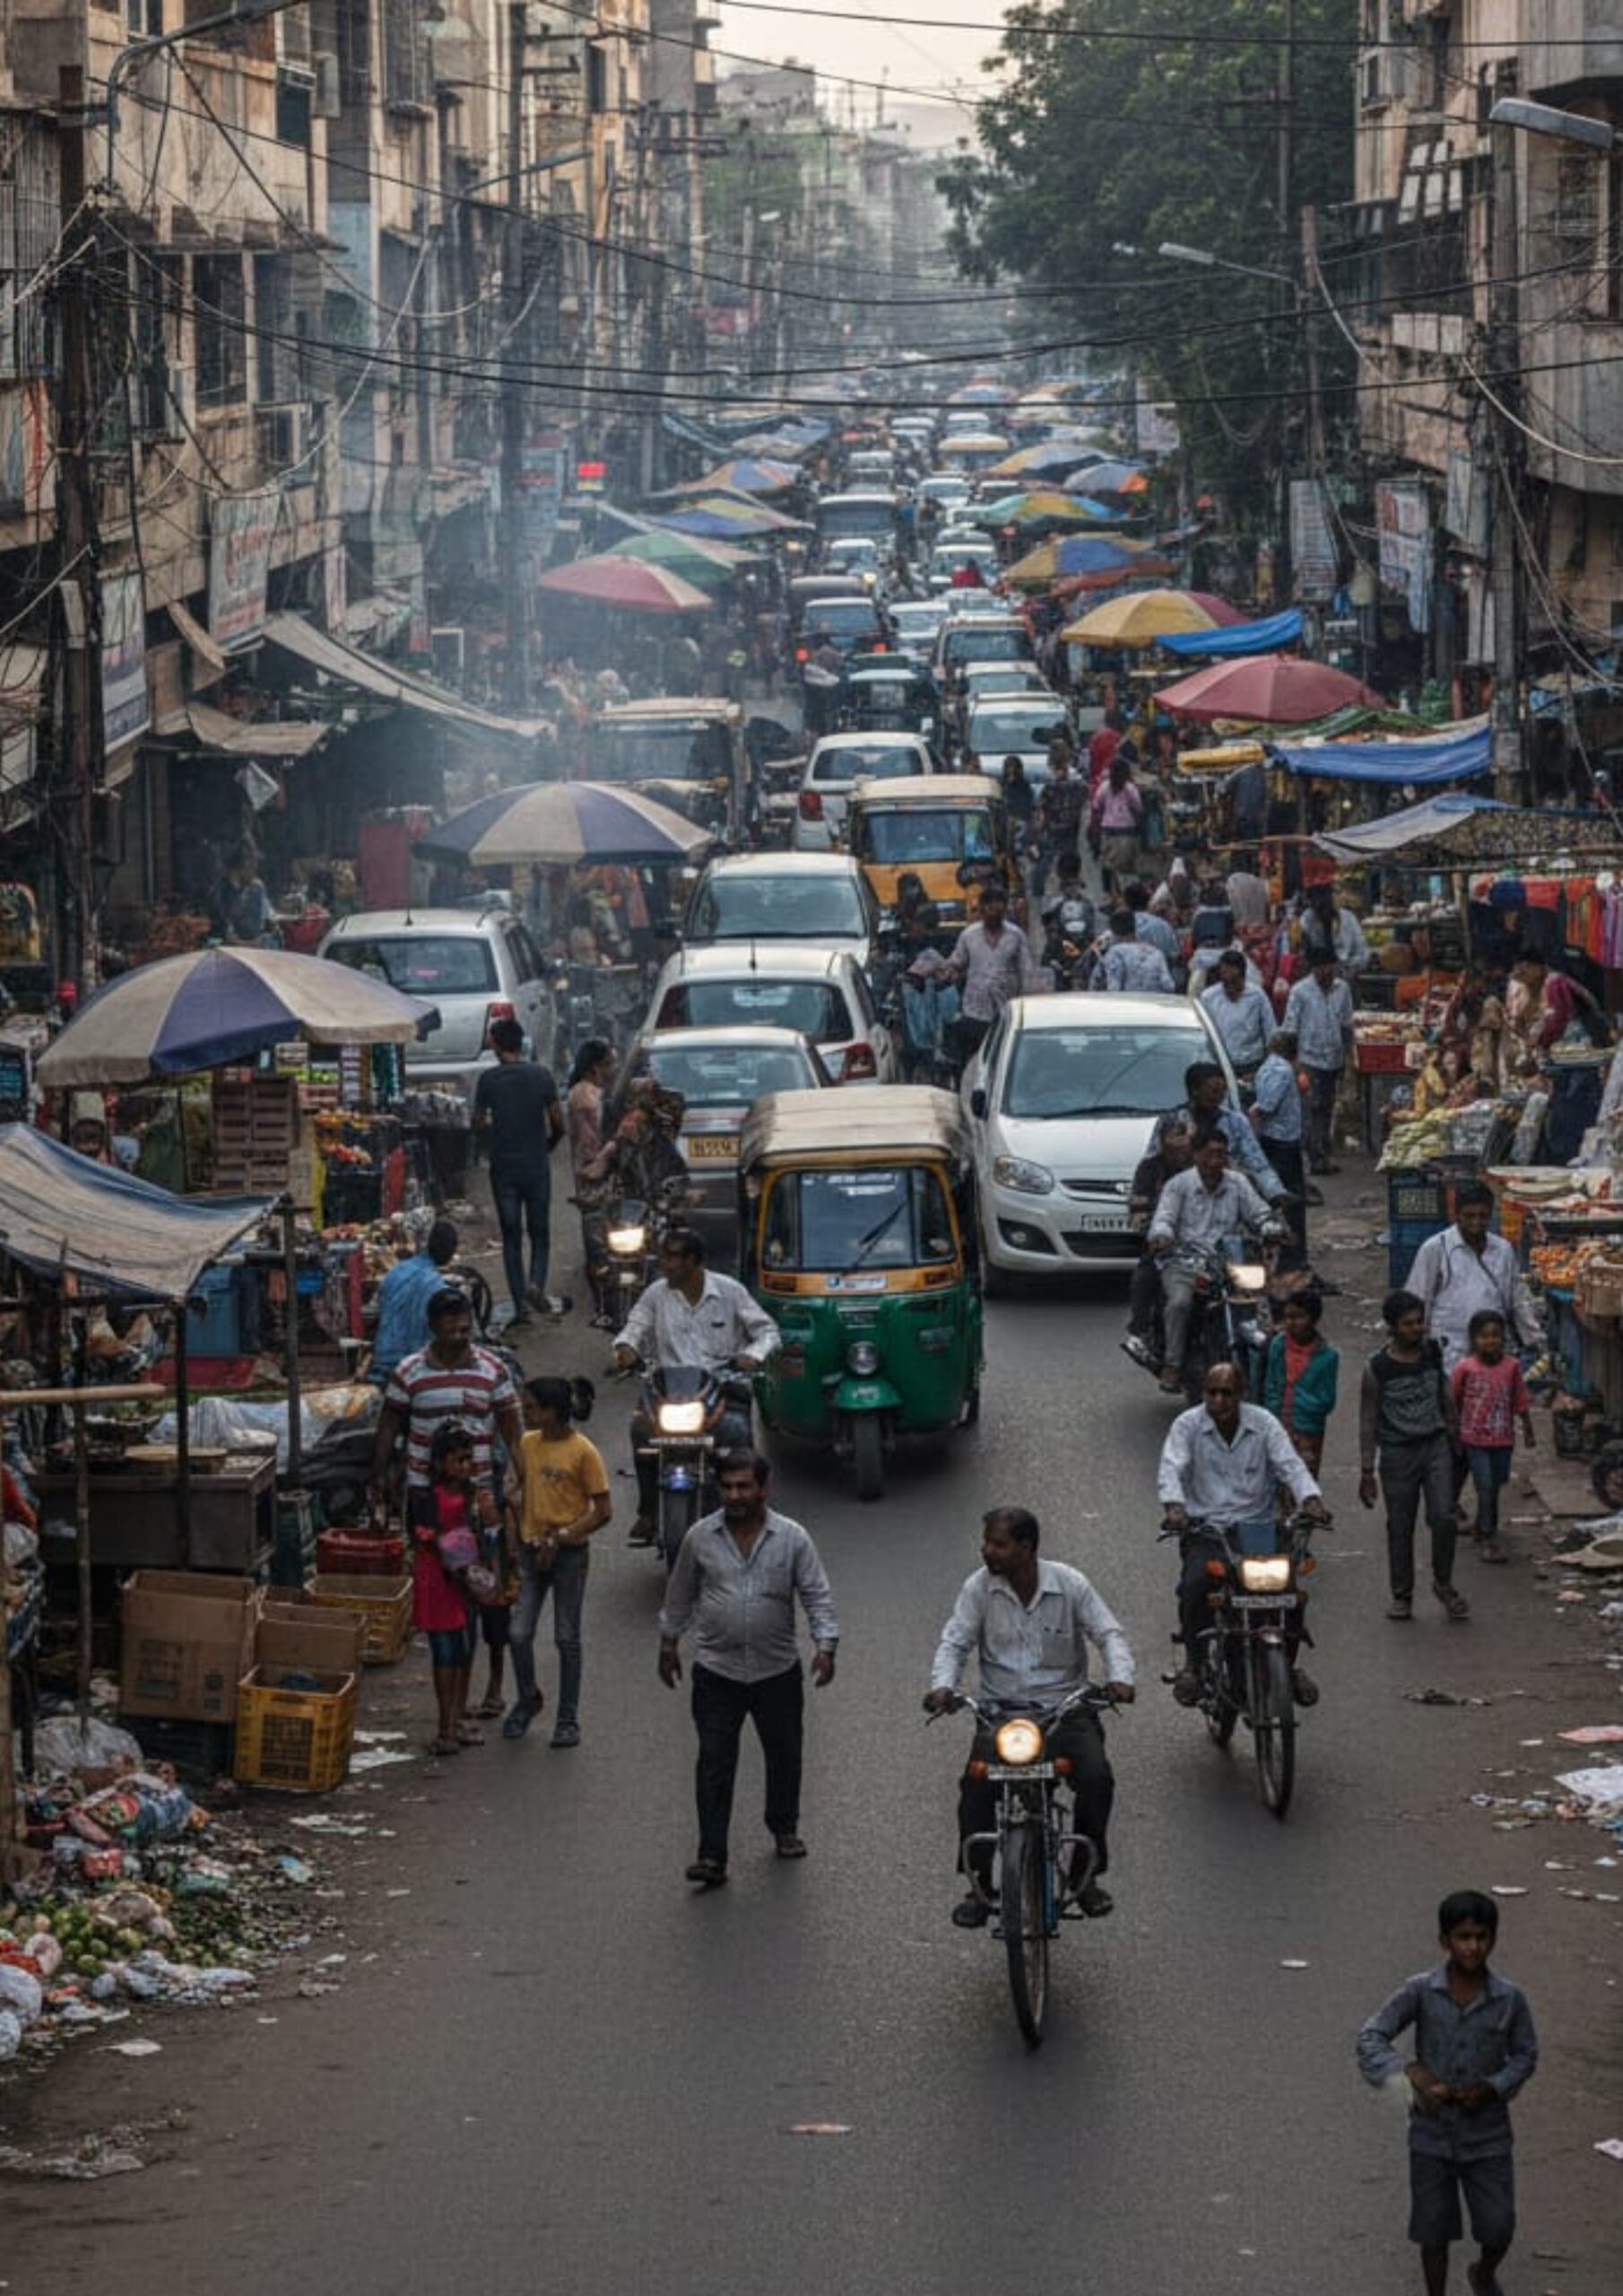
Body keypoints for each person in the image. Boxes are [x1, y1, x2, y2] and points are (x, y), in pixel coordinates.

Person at [924, 1506, 1134, 1926]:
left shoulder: (1070, 1584)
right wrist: (942, 1687)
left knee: (1096, 1779)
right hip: (1003, 1716)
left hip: (1066, 1712)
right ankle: (979, 1885)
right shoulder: (979, 1589)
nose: (987, 1551)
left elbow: (1108, 1634)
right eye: (986, 1542)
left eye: (998, 1544)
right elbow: (954, 1642)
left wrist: (1120, 1679)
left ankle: (1086, 1877)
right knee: (975, 1786)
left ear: (1027, 1547)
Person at [657, 1448, 838, 1888]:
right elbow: (679, 1593)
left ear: (763, 1488)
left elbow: (816, 1594)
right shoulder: (700, 1538)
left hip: (777, 1670)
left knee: (784, 1754)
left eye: (744, 1486)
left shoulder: (792, 1538)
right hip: (716, 1671)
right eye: (727, 1487)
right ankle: (712, 1854)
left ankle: (784, 1826)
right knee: (715, 1760)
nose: (735, 1495)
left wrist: (825, 1645)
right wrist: (669, 1643)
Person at [1357, 1890, 1538, 2296]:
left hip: (1488, 2136)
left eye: (1481, 1937)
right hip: (1431, 2135)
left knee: (1498, 2227)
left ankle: (1483, 2273)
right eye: (1463, 1937)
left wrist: (1493, 2089)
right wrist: (1410, 2072)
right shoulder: (1420, 1991)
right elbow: (1371, 2036)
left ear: (1493, 1939)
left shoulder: (1509, 1999)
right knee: (1432, 2231)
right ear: (1445, 1941)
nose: (1472, 1947)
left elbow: (1525, 2054)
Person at [1158, 1363, 1329, 1706]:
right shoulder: (1187, 1425)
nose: (1218, 1400)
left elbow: (1290, 1465)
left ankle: (1290, 1665)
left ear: (1242, 1395)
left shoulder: (1263, 1423)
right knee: (1194, 1587)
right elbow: (1171, 1467)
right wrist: (1175, 1507)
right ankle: (1194, 1663)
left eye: (1227, 1393)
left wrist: (1310, 1499)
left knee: (1290, 1593)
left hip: (1258, 1530)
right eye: (1212, 1392)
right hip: (1207, 1529)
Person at [613, 1228, 780, 1545]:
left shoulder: (730, 1292)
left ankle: (748, 1513)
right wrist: (626, 1348)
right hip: (669, 1391)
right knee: (639, 1431)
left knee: (737, 1437)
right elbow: (635, 1326)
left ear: (694, 1261)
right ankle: (648, 1511)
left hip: (722, 1386)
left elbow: (768, 1331)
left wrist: (752, 1355)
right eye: (663, 1256)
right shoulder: (656, 1294)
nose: (664, 1264)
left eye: (672, 1257)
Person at [504, 1376, 611, 1746]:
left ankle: (568, 1718)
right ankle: (528, 1696)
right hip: (533, 1552)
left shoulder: (583, 1452)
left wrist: (564, 1535)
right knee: (518, 1633)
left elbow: (603, 1510)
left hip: (569, 1555)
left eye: (531, 1406)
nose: (525, 1411)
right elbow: (518, 1489)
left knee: (567, 1637)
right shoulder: (527, 1444)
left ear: (551, 1412)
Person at [1147, 1127, 1286, 1395]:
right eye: (1209, 1155)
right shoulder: (1179, 1185)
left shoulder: (1238, 1183)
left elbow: (1259, 1213)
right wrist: (1162, 1237)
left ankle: (1269, 1361)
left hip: (1232, 1262)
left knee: (1263, 1301)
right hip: (1186, 1262)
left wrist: (1271, 1227)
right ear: (1196, 1155)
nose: (1215, 1162)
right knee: (1179, 1303)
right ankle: (1173, 1365)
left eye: (1221, 1155)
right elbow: (1163, 1219)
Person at [1359, 1288, 1468, 1623]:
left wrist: (1455, 1433)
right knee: (1401, 1526)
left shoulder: (1431, 1352)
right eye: (1408, 1324)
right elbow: (1368, 1420)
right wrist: (1367, 1470)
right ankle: (1402, 1595)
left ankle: (1444, 1582)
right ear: (1391, 1327)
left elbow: (1444, 1393)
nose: (1417, 1329)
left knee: (1444, 1517)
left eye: (1420, 1322)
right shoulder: (1378, 1368)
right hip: (1397, 1452)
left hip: (1435, 1445)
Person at [370, 1286, 524, 1510]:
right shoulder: (408, 1372)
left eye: (464, 1331)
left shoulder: (493, 1370)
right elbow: (388, 1426)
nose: (459, 1338)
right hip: (423, 1489)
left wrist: (525, 1478)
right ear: (433, 1327)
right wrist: (379, 1474)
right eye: (450, 1331)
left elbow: (513, 1432)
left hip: (478, 1492)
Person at [472, 1016, 569, 1326]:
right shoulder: (541, 1076)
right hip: (535, 1165)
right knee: (539, 1232)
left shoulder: (489, 1081)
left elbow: (478, 1123)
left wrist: (493, 1138)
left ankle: (520, 1306)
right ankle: (535, 1285)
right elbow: (559, 1124)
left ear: (497, 1045)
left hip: (504, 1169)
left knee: (512, 1236)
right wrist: (546, 1147)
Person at [406, 1420, 492, 1756]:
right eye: (459, 1460)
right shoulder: (427, 1497)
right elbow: (424, 1535)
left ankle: (454, 1720)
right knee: (445, 1650)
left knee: (461, 1648)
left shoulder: (472, 1496)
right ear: (442, 1462)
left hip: (462, 1578)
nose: (465, 1466)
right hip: (439, 1578)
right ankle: (445, 1725)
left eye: (468, 1459)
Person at [1407, 1184, 1542, 1372]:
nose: (1476, 1223)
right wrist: (1413, 1349)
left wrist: (1534, 1340)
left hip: (1492, 1351)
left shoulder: (1503, 1250)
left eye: (1483, 1216)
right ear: (1457, 1215)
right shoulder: (1435, 1248)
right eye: (1469, 1216)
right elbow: (1417, 1300)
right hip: (1449, 1353)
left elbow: (1518, 1298)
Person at [1450, 1311, 1534, 1566]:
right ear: (1474, 1339)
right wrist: (1451, 1432)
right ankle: (1488, 1537)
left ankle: (1481, 1524)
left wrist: (1528, 1428)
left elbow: (1520, 1399)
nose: (1490, 1341)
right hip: (1474, 1440)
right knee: (1484, 1485)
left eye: (1496, 1336)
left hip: (1503, 1440)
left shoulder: (1512, 1367)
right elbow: (1452, 1400)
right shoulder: (1466, 1368)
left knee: (1495, 1487)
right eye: (1484, 1336)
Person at [1154, 1060, 1289, 1208]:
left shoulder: (1235, 1121)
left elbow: (1257, 1162)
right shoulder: (1171, 1121)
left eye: (1223, 1091)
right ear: (1195, 1090)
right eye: (1213, 1090)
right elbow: (1152, 1160)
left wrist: (1275, 1191)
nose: (1219, 1096)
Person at [1124, 1120, 1193, 1367]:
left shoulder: (1204, 1170)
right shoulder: (1150, 1169)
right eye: (1175, 1148)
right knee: (1146, 1275)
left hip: (1205, 1244)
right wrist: (1155, 1233)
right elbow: (1138, 1210)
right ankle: (1141, 1330)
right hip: (1166, 1244)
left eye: (1185, 1148)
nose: (1181, 1155)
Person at [942, 881, 1035, 1060]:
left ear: (1005, 909)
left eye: (999, 904)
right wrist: (946, 971)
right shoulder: (969, 935)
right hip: (974, 1012)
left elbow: (1027, 971)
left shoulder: (1016, 936)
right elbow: (956, 963)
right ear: (982, 909)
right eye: (989, 904)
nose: (994, 909)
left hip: (1006, 1010)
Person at [1284, 956, 1354, 1175]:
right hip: (1309, 1059)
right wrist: (1295, 1062)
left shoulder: (1342, 989)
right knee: (1312, 1108)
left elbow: (1346, 1024)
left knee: (1327, 1107)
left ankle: (1323, 1153)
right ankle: (1315, 1158)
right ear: (1314, 968)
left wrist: (1347, 1057)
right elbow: (1290, 1028)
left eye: (1331, 966)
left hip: (1333, 1058)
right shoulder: (1300, 991)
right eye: (1323, 966)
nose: (1327, 971)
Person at [1259, 1289, 1340, 1475]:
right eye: (1288, 1317)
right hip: (1277, 1425)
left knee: (1305, 1480)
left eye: (1299, 1317)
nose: (1291, 1323)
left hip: (1308, 1431)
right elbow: (1270, 1385)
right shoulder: (1278, 1345)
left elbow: (1326, 1401)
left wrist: (1298, 1406)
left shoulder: (1328, 1357)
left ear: (1313, 1319)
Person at [369, 1218, 459, 1387]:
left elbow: (380, 1307)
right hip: (413, 1371)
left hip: (381, 1363)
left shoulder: (396, 1271)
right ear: (449, 1252)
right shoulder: (437, 1287)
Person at [565, 1039, 616, 1327]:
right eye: (610, 1063)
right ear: (597, 1066)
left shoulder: (588, 1093)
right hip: (593, 1177)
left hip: (595, 1175)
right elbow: (591, 1144)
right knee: (598, 1243)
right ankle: (602, 1305)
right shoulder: (586, 1098)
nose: (614, 1068)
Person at [1252, 1028, 1307, 1267]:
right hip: (1280, 1143)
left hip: (1279, 1140)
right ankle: (1291, 1260)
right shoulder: (1281, 1071)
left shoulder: (1272, 1067)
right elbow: (1267, 1105)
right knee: (1288, 1203)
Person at [1200, 950, 1275, 1076]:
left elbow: (1270, 1030)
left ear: (1242, 976)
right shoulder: (1208, 997)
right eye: (1226, 983)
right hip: (1219, 1065)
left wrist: (1268, 1065)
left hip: (1251, 1064)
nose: (1230, 989)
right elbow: (1202, 1032)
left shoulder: (1257, 995)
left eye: (1234, 983)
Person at [1031, 747, 1085, 897]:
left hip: (1056, 830)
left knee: (1048, 859)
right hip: (1069, 830)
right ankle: (1070, 882)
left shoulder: (1049, 787)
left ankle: (1042, 890)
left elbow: (1041, 810)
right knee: (1068, 857)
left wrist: (1038, 829)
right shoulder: (1077, 786)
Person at [1091, 754, 1144, 890]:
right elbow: (1138, 808)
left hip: (1107, 832)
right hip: (1127, 833)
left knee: (1107, 865)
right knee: (1126, 869)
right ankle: (1126, 895)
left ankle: (1108, 894)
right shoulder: (1130, 789)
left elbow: (1096, 807)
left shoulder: (1104, 787)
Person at [1299, 880, 1370, 974]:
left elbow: (1362, 953)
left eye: (1343, 892)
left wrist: (1347, 966)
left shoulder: (1348, 917)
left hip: (1345, 975)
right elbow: (1311, 955)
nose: (1343, 896)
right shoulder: (1309, 917)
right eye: (1337, 892)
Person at [1098, 906, 1174, 993]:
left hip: (1128, 1004)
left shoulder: (1115, 953)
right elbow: (1169, 985)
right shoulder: (1156, 953)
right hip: (1152, 1003)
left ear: (1114, 933)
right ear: (1135, 928)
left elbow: (1114, 987)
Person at [206, 847, 274, 945]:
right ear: (239, 869)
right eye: (252, 865)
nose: (255, 870)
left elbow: (268, 917)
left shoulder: (256, 888)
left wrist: (266, 934)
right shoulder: (219, 892)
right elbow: (221, 929)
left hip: (257, 948)